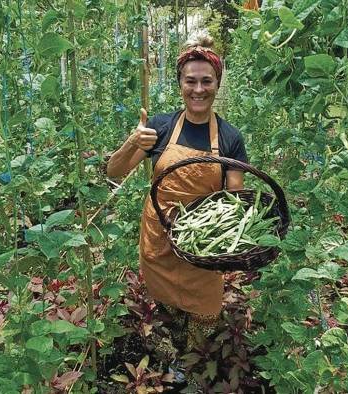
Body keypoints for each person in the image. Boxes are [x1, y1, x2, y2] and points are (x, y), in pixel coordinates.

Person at [106, 34, 248, 386]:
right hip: (160, 239)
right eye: (190, 81)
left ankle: (189, 362)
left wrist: (224, 240)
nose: (198, 89)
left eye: (206, 81)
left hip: (202, 247)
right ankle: (169, 356)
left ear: (217, 83)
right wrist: (132, 142)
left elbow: (234, 200)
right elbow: (114, 172)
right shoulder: (161, 127)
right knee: (166, 307)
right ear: (180, 83)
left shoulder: (230, 138)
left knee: (204, 311)